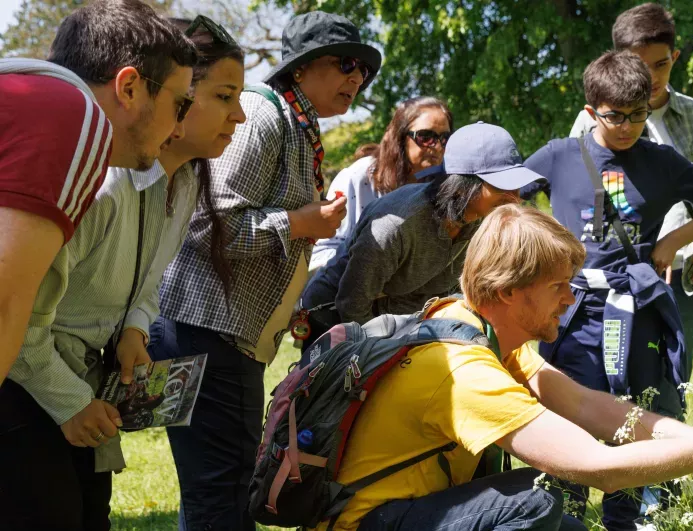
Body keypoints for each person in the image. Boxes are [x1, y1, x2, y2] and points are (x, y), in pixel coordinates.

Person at [317, 203, 693, 531]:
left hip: (413, 510)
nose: (571, 297)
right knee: (536, 499)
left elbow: (590, 407)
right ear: (510, 290)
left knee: (561, 514)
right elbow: (599, 469)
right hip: (367, 523)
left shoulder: (480, 327)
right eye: (558, 284)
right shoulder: (461, 368)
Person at [149, 11, 381, 530]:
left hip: (228, 339)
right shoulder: (260, 113)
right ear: (300, 69)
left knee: (216, 488)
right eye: (345, 64)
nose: (357, 79)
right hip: (207, 333)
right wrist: (300, 223)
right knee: (224, 493)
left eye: (363, 71)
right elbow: (209, 228)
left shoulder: (297, 125)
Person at [0, 2, 200, 528]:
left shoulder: (34, 94)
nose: (179, 126)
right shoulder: (73, 114)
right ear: (130, 87)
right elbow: (4, 306)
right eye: (180, 103)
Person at [522, 49, 693, 529]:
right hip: (570, 313)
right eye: (614, 116)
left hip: (635, 309)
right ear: (590, 112)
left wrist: (673, 242)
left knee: (631, 418)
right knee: (569, 417)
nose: (626, 126)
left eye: (637, 115)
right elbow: (506, 202)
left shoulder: (661, 161)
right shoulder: (560, 154)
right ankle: (567, 518)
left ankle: (624, 520)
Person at [570, 3, 693, 374]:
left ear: (675, 56)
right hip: (613, 276)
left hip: (685, 277)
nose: (650, 77)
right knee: (602, 383)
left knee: (669, 387)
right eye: (639, 65)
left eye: (660, 64)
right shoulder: (590, 125)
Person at [300, 122, 543, 346]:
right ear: (462, 184)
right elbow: (352, 306)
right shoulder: (396, 225)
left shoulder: (481, 220)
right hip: (337, 321)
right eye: (502, 184)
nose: (515, 196)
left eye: (517, 183)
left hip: (404, 324)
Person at [310, 96, 453, 270]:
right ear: (400, 137)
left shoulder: (444, 187)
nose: (437, 146)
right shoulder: (359, 178)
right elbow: (320, 255)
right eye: (425, 137)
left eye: (444, 138)